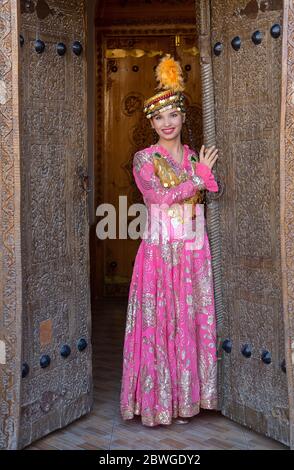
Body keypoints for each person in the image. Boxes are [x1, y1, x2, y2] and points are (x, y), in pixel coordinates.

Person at [120, 54, 219, 427]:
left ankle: (186, 402)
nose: (167, 123)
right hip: (160, 252)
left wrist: (205, 176)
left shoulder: (194, 157)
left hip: (193, 250)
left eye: (173, 115)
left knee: (187, 323)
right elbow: (157, 197)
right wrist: (198, 180)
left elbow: (213, 188)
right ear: (151, 123)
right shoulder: (143, 158)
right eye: (159, 118)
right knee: (160, 325)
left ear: (182, 117)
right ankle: (157, 402)